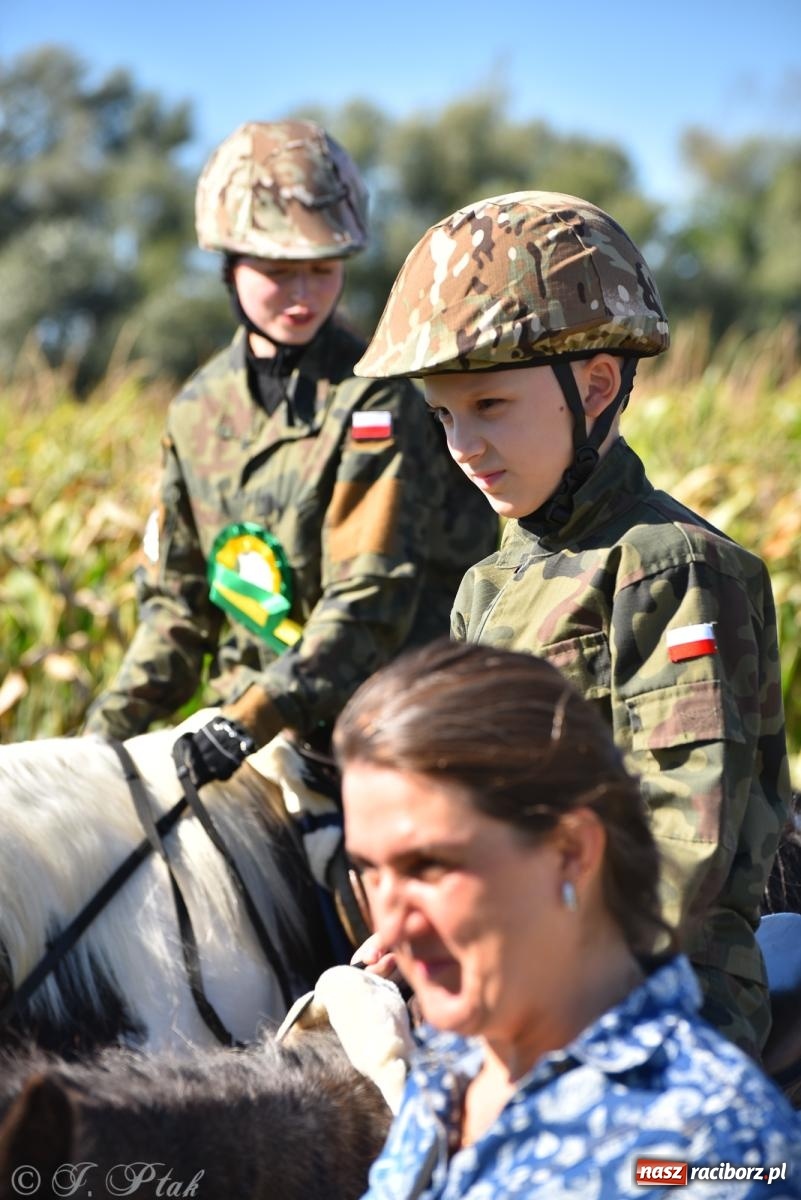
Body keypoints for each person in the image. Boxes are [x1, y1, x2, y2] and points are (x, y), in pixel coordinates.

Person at [352, 189, 790, 1058]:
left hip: (657, 994)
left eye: (490, 407)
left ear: (593, 387)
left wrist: (541, 976)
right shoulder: (487, 584)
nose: (463, 446)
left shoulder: (670, 566)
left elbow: (682, 837)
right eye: (443, 416)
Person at [84, 120, 496, 796]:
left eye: (323, 271)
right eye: (278, 273)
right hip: (247, 745)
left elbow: (367, 600)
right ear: (229, 267)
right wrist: (98, 745)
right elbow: (176, 612)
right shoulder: (197, 410)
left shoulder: (378, 398)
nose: (304, 295)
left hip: (388, 741)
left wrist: (247, 720)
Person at [334, 639, 801, 1199]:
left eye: (430, 866)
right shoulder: (453, 1074)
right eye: (370, 873)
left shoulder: (704, 1146)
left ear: (572, 850)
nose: (394, 923)